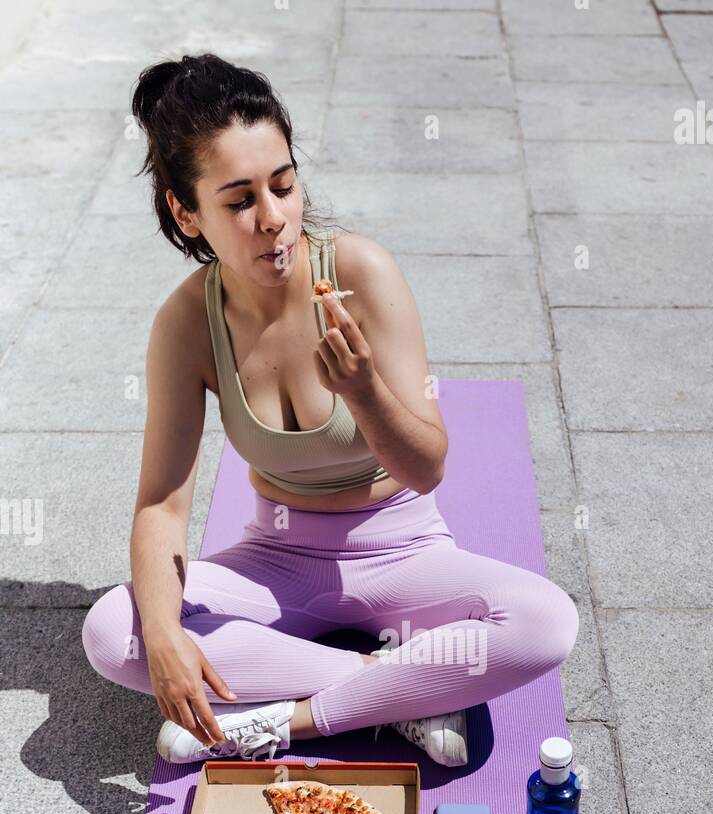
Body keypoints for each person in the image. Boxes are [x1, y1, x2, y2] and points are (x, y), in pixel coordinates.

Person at [81, 53, 579, 767]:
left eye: (283, 185)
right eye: (239, 200)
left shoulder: (360, 272)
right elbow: (162, 503)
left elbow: (428, 466)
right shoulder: (187, 324)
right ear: (185, 212)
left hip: (403, 550)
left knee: (543, 623)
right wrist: (163, 637)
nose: (274, 219)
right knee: (114, 633)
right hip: (277, 559)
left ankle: (282, 720)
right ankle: (411, 689)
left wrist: (366, 391)